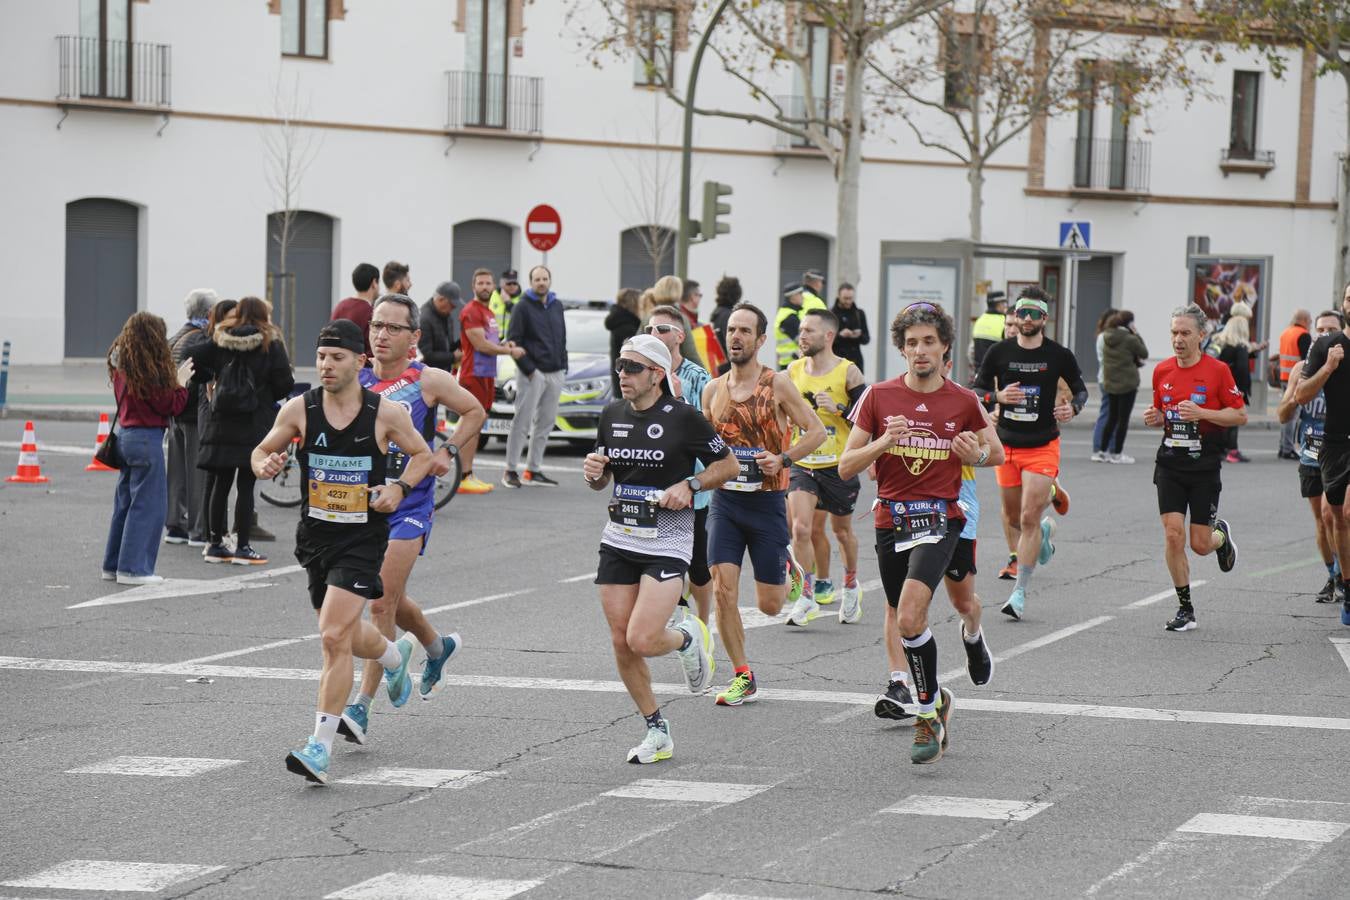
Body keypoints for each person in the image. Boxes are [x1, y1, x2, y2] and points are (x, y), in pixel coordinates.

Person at [252, 318, 433, 785]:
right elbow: (260, 451)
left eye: (337, 357)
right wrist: (265, 463)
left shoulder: (386, 412)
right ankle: (394, 657)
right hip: (315, 537)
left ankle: (319, 747)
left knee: (333, 637)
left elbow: (423, 456)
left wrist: (398, 486)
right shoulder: (300, 408)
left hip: (362, 538)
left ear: (360, 361)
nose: (326, 365)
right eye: (321, 357)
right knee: (345, 633)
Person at [839, 302, 1002, 764]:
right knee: (903, 614)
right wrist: (884, 442)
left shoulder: (964, 401)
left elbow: (998, 454)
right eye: (911, 343)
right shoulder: (877, 397)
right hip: (891, 518)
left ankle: (928, 712)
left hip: (942, 517)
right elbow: (847, 465)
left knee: (914, 614)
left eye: (929, 341)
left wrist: (975, 457)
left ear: (945, 346)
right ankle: (938, 698)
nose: (920, 350)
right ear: (902, 350)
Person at [337, 293, 487, 745]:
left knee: (379, 601)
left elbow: (475, 411)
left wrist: (447, 450)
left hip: (411, 503)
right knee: (393, 598)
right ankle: (436, 648)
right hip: (363, 504)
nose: (381, 335)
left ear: (414, 337)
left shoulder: (428, 379)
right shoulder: (355, 377)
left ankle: (360, 707)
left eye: (392, 328)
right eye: (376, 325)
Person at [583, 334, 738, 763]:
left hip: (668, 539)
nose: (623, 375)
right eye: (620, 366)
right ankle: (657, 730)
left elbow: (728, 465)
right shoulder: (611, 414)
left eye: (632, 368)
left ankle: (687, 638)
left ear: (656, 374)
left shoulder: (683, 417)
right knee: (621, 641)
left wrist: (689, 485)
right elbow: (601, 481)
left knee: (644, 637)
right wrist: (594, 472)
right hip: (619, 536)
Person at [701, 303, 825, 707]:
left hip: (769, 500)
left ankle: (788, 565)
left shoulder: (778, 384)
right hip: (725, 502)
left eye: (744, 331)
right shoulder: (712, 390)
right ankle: (743, 675)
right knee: (722, 588)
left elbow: (817, 432)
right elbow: (705, 447)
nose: (735, 337)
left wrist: (783, 459)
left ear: (760, 340)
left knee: (771, 606)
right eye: (731, 330)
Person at [973, 287, 1087, 620]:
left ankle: (1019, 593)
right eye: (1021, 312)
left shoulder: (1058, 355)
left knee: (1027, 518)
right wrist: (997, 398)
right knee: (1012, 518)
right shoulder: (999, 352)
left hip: (1042, 445)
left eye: (1033, 313)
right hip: (1006, 445)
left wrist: (1072, 409)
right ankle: (1044, 537)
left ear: (1044, 319)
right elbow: (977, 391)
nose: (1026, 318)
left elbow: (1080, 390)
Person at [1142, 304, 1245, 632]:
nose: (1178, 339)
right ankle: (1185, 608)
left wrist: (1203, 413)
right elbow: (1162, 413)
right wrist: (1155, 418)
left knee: (1199, 544)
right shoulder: (1162, 371)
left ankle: (1221, 537)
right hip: (1170, 462)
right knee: (1173, 535)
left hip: (1204, 466)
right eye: (1174, 332)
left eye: (1185, 333)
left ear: (1201, 335)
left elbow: (1239, 415)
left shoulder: (1218, 370)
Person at [188, 296, 296, 565]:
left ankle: (215, 544)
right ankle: (243, 547)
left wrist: (213, 378)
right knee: (247, 485)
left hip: (222, 420)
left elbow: (195, 360)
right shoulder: (270, 342)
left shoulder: (221, 337)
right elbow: (284, 383)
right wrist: (264, 392)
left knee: (220, 484)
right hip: (254, 421)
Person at [784, 308, 867, 626]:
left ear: (828, 336)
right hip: (803, 463)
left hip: (838, 465)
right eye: (801, 330)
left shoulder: (848, 372)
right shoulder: (792, 370)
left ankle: (849, 586)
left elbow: (869, 418)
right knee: (801, 529)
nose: (801, 336)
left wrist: (841, 408)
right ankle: (807, 596)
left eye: (809, 331)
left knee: (842, 532)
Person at [101, 313, 194, 585]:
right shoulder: (146, 370)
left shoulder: (121, 364)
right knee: (148, 505)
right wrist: (181, 383)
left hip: (126, 437)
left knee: (125, 505)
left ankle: (113, 564)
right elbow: (170, 405)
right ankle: (134, 569)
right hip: (146, 438)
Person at [647, 305, 716, 623]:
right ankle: (680, 611)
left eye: (661, 329)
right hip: (652, 484)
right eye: (649, 329)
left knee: (699, 567)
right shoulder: (644, 373)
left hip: (692, 487)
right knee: (660, 560)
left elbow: (710, 428)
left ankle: (703, 623)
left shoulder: (696, 377)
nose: (653, 335)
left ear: (679, 335)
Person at [1277, 311, 1344, 603]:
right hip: (1310, 455)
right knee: (1321, 520)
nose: (1325, 334)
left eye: (1331, 329)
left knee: (1334, 514)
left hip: (1339, 451)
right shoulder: (1303, 369)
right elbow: (1283, 415)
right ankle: (1332, 575)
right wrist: (1298, 396)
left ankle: (1344, 575)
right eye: (1320, 329)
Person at [1296, 304, 1350, 625]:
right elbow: (1300, 395)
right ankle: (1345, 584)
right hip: (1334, 443)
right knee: (1334, 519)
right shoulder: (1326, 347)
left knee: (1345, 512)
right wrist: (1329, 367)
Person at [460, 268, 525, 494]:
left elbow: (492, 341)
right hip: (473, 373)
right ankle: (463, 475)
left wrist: (505, 346)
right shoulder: (471, 311)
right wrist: (508, 352)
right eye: (481, 283)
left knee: (477, 425)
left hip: (487, 374)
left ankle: (469, 473)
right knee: (471, 424)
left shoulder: (487, 312)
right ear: (473, 286)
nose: (485, 287)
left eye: (488, 283)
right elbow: (480, 345)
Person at [503, 265, 567, 488]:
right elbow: (514, 340)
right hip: (532, 374)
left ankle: (533, 470)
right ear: (530, 282)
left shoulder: (557, 305)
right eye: (537, 279)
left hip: (555, 372)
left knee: (546, 423)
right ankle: (510, 470)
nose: (541, 282)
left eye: (545, 278)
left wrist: (563, 366)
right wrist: (531, 371)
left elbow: (562, 338)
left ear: (550, 280)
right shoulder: (522, 307)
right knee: (522, 421)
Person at [165, 288, 218, 546]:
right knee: (197, 473)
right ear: (209, 312)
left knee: (176, 472)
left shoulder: (176, 337)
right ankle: (197, 529)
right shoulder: (200, 339)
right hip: (192, 414)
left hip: (173, 412)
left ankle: (175, 525)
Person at [1099, 309, 1149, 464]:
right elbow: (1144, 352)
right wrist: (1136, 333)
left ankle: (1102, 451)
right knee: (1123, 419)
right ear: (1129, 323)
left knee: (1111, 418)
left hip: (1111, 382)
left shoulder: (1107, 336)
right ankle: (1117, 454)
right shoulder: (1129, 338)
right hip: (1128, 383)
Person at [1211, 301, 1256, 463]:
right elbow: (1243, 369)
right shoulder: (1241, 346)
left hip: (1218, 386)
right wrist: (1242, 390)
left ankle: (1221, 450)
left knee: (1221, 418)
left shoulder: (1221, 342)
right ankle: (1232, 450)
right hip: (1234, 387)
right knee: (1234, 419)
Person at [638, 275, 703, 368]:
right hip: (673, 371)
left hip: (650, 369)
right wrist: (706, 376)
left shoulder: (648, 317)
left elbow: (637, 345)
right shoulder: (680, 318)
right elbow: (690, 353)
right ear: (678, 291)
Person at [1277, 309, 1313, 459]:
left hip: (1284, 376)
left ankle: (1283, 446)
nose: (1310, 324)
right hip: (1296, 378)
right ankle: (1288, 448)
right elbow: (1308, 360)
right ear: (1304, 320)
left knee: (1286, 412)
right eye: (1310, 321)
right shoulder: (1303, 335)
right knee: (1292, 415)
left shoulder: (1286, 332)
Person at [678, 278, 728, 374]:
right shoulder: (685, 321)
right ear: (693, 296)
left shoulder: (685, 319)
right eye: (699, 295)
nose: (700, 298)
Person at [331, 263, 381, 357]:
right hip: (359, 366)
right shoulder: (371, 312)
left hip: (336, 362)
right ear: (374, 283)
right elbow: (371, 347)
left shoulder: (340, 306)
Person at [1090, 308, 1119, 462]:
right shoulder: (1107, 337)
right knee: (1107, 414)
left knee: (1110, 414)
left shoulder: (1103, 336)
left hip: (1106, 378)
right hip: (1110, 380)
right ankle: (1100, 448)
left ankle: (1104, 448)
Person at [417, 282, 461, 373]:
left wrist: (463, 341)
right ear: (441, 299)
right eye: (452, 305)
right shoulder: (424, 319)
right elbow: (426, 355)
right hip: (429, 375)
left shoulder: (446, 316)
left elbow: (448, 346)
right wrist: (453, 357)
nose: (453, 309)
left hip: (443, 372)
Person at [605, 288, 642, 396]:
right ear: (634, 303)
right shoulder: (628, 328)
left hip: (620, 379)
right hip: (628, 380)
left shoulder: (619, 322)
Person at [831, 282, 871, 373]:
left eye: (850, 298)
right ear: (838, 296)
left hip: (855, 361)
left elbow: (866, 339)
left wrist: (858, 335)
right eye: (845, 298)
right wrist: (840, 335)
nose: (848, 301)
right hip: (836, 361)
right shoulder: (831, 314)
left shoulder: (859, 313)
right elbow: (825, 339)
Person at [969, 291, 1007, 375]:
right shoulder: (1004, 321)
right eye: (1003, 303)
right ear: (998, 304)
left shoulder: (980, 320)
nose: (1005, 306)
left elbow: (971, 351)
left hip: (979, 373)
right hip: (996, 374)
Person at [709, 276, 742, 365]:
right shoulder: (729, 316)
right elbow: (732, 344)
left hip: (719, 364)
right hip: (727, 367)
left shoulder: (717, 313)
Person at [774, 283, 807, 369]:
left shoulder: (784, 313)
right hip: (793, 362)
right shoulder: (790, 317)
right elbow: (804, 341)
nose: (803, 297)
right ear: (793, 297)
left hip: (787, 362)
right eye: (800, 294)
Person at [489, 268, 522, 340]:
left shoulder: (523, 298)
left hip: (514, 342)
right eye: (509, 284)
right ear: (501, 284)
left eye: (515, 283)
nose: (512, 286)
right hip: (494, 341)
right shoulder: (492, 296)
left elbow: (523, 318)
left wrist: (509, 303)